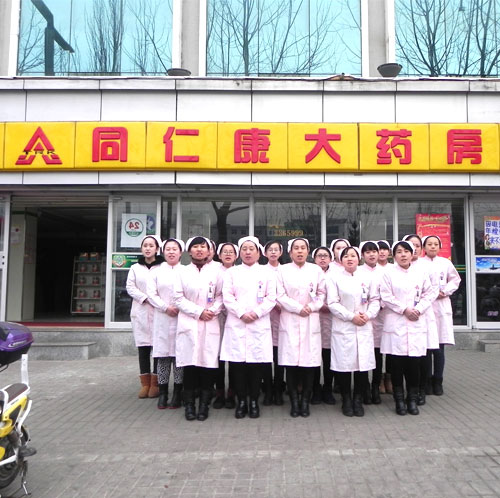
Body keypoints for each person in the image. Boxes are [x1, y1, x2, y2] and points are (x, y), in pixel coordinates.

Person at [220, 236, 276, 419]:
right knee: (238, 367)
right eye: (244, 249)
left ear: (258, 253)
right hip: (237, 323)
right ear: (239, 253)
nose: (248, 252)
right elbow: (227, 297)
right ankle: (241, 401)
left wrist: (256, 313)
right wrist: (241, 313)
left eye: (252, 249)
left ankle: (253, 401)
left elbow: (271, 298)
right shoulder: (231, 273)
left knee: (256, 366)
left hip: (258, 324)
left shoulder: (268, 273)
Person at [379, 240, 434, 416]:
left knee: (414, 365)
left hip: (416, 321)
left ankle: (412, 398)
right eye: (399, 252)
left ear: (412, 254)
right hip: (396, 322)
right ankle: (399, 400)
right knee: (397, 365)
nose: (403, 255)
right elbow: (386, 296)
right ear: (394, 256)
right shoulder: (388, 274)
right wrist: (404, 309)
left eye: (406, 251)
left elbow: (430, 293)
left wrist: (418, 309)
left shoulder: (420, 273)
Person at [174, 236, 223, 421]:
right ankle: (189, 405)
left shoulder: (217, 271)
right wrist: (198, 312)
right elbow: (178, 298)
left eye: (203, 246)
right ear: (189, 251)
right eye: (195, 247)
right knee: (190, 366)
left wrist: (211, 311)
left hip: (210, 321)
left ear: (209, 251)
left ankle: (204, 405)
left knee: (208, 365)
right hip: (189, 322)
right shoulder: (182, 271)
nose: (200, 250)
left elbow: (221, 296)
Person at [327, 246, 380, 417]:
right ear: (340, 260)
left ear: (359, 258)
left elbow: (375, 300)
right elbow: (332, 303)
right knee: (344, 366)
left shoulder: (368, 277)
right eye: (345, 256)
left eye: (353, 255)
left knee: (361, 366)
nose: (349, 258)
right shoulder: (334, 278)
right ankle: (346, 400)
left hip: (363, 325)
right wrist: (351, 317)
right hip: (344, 327)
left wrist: (368, 315)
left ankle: (358, 399)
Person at [277, 238, 326, 418]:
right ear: (290, 252)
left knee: (309, 363)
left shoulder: (316, 270)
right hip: (290, 319)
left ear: (308, 251)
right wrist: (298, 308)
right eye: (296, 248)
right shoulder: (282, 270)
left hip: (310, 319)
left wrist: (311, 307)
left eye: (302, 248)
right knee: (290, 364)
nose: (299, 251)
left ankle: (305, 400)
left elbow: (322, 294)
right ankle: (294, 401)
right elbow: (280, 295)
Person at [147, 238, 185, 409]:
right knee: (162, 358)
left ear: (181, 252)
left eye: (174, 249)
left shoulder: (185, 271)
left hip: (181, 318)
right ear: (163, 252)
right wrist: (165, 307)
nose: (171, 252)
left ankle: (177, 393)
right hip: (162, 318)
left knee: (179, 359)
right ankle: (163, 394)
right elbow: (151, 294)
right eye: (168, 249)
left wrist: (179, 307)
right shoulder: (155, 272)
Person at [403, 234, 439, 405]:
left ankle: (422, 389)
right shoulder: (398, 268)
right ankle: (410, 389)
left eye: (417, 245)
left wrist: (419, 309)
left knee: (424, 355)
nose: (414, 248)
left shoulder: (427, 266)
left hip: (423, 314)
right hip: (404, 316)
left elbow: (433, 291)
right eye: (410, 245)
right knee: (407, 357)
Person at [422, 235, 461, 395]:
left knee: (439, 348)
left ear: (440, 247)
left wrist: (444, 291)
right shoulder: (419, 264)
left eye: (435, 244)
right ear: (424, 247)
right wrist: (430, 294)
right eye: (429, 244)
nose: (432, 246)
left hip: (441, 306)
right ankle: (426, 380)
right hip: (426, 307)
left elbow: (455, 280)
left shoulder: (445, 263)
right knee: (426, 349)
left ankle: (438, 380)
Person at [126, 235, 163, 399]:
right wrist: (146, 298)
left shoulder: (162, 267)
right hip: (140, 311)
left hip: (158, 311)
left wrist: (156, 300)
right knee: (143, 348)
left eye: (151, 245)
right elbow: (130, 287)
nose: (148, 248)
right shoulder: (135, 267)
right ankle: (145, 384)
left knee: (157, 349)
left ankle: (155, 384)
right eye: (145, 245)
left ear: (157, 249)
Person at [357, 241, 384, 405]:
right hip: (363, 318)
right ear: (362, 255)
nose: (372, 254)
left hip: (382, 317)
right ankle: (365, 387)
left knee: (378, 355)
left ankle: (376, 386)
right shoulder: (358, 272)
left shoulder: (386, 272)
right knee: (363, 354)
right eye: (368, 252)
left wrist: (382, 305)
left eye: (374, 251)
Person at [213, 242, 239, 410]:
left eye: (231, 252)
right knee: (218, 358)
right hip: (216, 319)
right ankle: (219, 392)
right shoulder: (214, 272)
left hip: (236, 318)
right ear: (219, 255)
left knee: (234, 357)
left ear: (236, 256)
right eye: (225, 252)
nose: (228, 254)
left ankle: (232, 392)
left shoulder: (240, 272)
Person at [311, 246, 336, 405]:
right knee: (313, 356)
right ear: (314, 259)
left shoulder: (337, 274)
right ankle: (315, 389)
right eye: (319, 255)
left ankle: (328, 388)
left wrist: (331, 306)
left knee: (328, 357)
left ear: (331, 258)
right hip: (313, 317)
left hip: (332, 320)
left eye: (325, 255)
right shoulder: (310, 273)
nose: (322, 258)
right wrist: (319, 305)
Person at [262, 240, 285, 405]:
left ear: (281, 253)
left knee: (279, 355)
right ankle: (267, 388)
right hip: (265, 316)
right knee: (265, 355)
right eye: (270, 249)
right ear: (265, 253)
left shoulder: (285, 270)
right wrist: (273, 303)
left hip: (283, 316)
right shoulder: (261, 271)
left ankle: (278, 388)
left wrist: (282, 304)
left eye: (276, 249)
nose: (273, 252)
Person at [376, 240, 393, 395]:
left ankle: (389, 377)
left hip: (391, 313)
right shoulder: (368, 270)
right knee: (377, 349)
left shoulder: (394, 269)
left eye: (384, 249)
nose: (381, 252)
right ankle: (378, 379)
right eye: (379, 249)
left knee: (390, 349)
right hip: (375, 315)